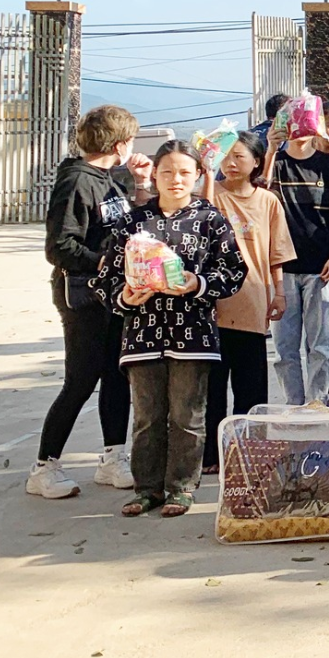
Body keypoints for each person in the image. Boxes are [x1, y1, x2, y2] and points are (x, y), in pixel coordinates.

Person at [94, 141, 247, 518]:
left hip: (193, 334)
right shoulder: (133, 222)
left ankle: (181, 487)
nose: (175, 179)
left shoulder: (210, 219)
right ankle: (147, 488)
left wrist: (197, 283)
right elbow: (105, 279)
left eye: (184, 172)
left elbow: (234, 270)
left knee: (187, 416)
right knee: (146, 417)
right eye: (167, 172)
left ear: (197, 175)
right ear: (155, 175)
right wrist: (126, 296)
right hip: (142, 334)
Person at [29, 105, 150, 499]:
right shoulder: (77, 181)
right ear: (119, 144)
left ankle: (113, 457)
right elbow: (59, 246)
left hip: (113, 295)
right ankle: (44, 467)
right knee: (81, 380)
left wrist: (140, 183)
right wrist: (105, 261)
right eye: (131, 140)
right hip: (83, 296)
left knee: (116, 375)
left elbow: (127, 226)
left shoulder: (109, 180)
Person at [202, 132, 294, 475]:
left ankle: (249, 452)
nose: (231, 163)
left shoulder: (268, 201)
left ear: (256, 161)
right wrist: (207, 173)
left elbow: (276, 253)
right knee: (212, 388)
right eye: (226, 156)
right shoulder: (211, 194)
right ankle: (211, 455)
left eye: (239, 156)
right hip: (212, 306)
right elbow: (201, 222)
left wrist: (279, 293)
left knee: (251, 387)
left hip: (252, 301)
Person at [270, 99, 329, 404]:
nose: (299, 127)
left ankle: (316, 404)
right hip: (282, 270)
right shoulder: (276, 163)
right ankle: (293, 405)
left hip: (321, 267)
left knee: (321, 346)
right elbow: (262, 193)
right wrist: (270, 149)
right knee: (284, 349)